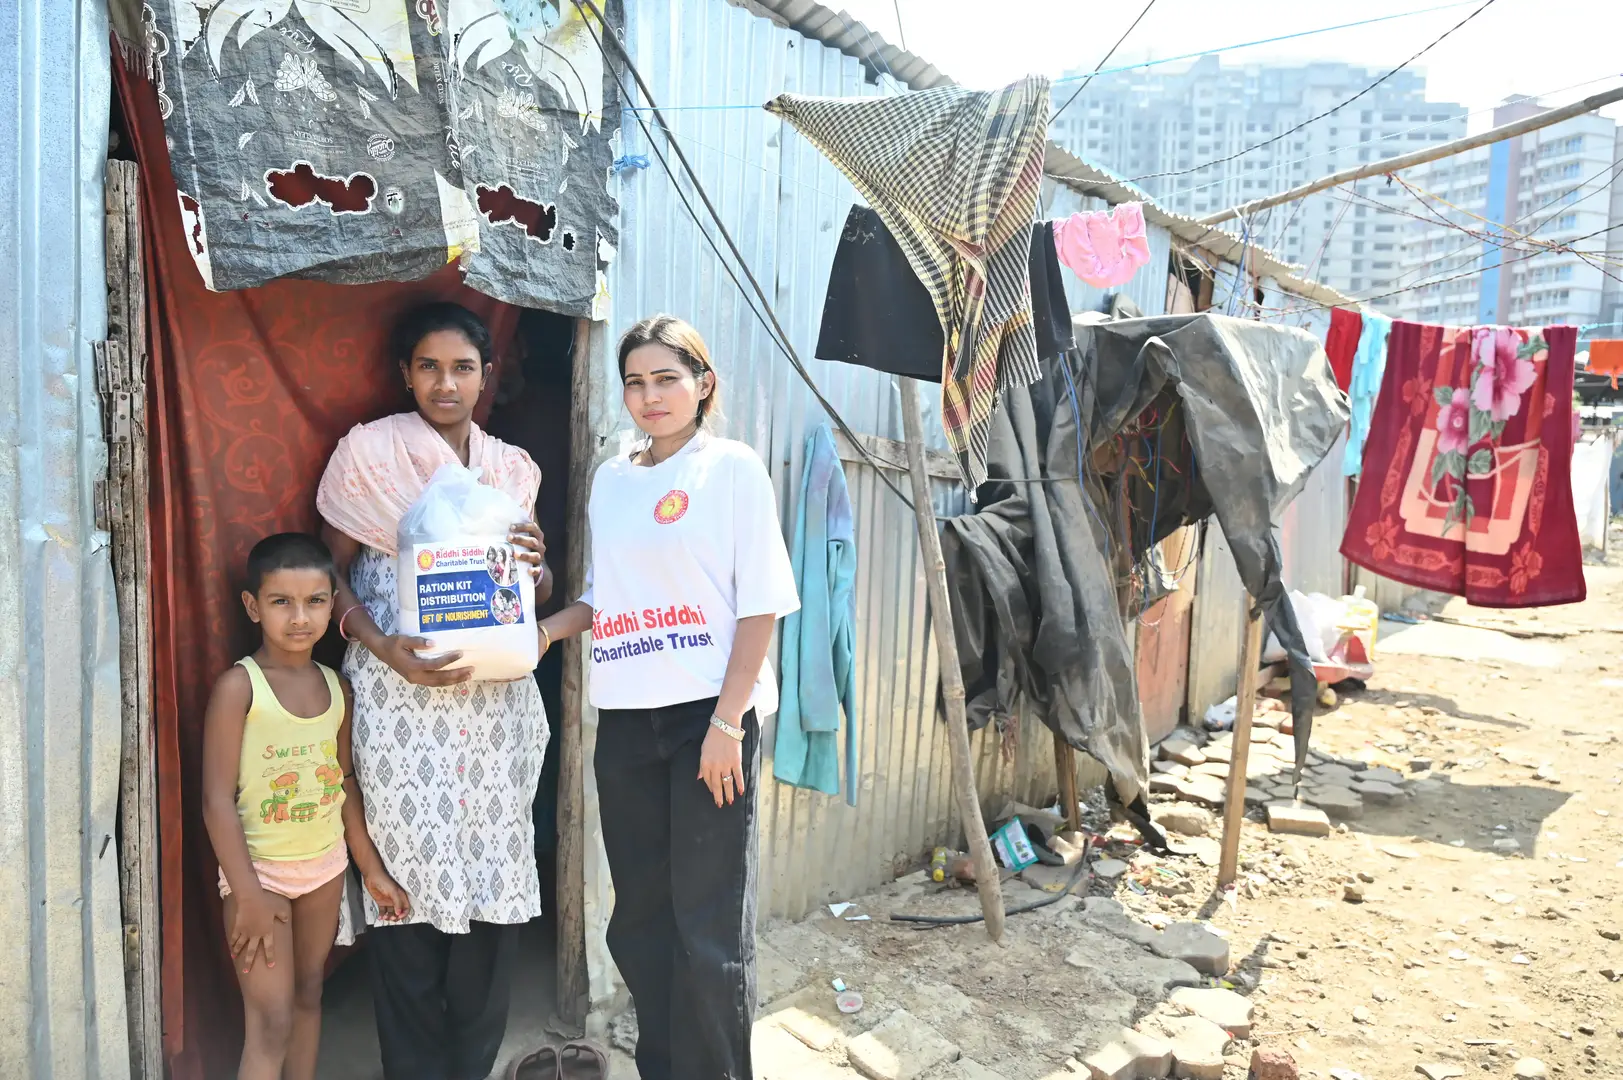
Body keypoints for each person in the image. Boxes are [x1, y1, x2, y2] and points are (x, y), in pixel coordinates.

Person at [537, 315, 799, 1080]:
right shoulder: (612, 480)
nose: (649, 396)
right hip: (626, 721)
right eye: (634, 382)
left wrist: (727, 723)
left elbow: (760, 604)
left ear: (702, 384)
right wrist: (543, 632)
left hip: (709, 719)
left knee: (708, 931)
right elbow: (604, 595)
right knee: (640, 924)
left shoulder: (731, 469)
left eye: (666, 379)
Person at [315, 301, 550, 1080]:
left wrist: (539, 562)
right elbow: (328, 571)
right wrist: (379, 645)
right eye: (429, 367)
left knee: (489, 872)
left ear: (488, 376)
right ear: (405, 375)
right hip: (397, 698)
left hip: (492, 710)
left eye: (462, 368)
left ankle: (471, 1065)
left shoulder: (511, 470)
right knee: (405, 878)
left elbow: (536, 590)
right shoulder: (368, 454)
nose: (445, 383)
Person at [201, 533, 408, 1080]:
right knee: (270, 1022)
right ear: (253, 606)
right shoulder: (239, 688)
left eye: (316, 601)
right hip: (259, 874)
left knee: (309, 994)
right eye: (281, 602)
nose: (300, 617)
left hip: (324, 870)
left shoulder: (338, 687)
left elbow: (342, 785)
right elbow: (216, 801)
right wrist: (247, 893)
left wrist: (370, 870)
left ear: (332, 606)